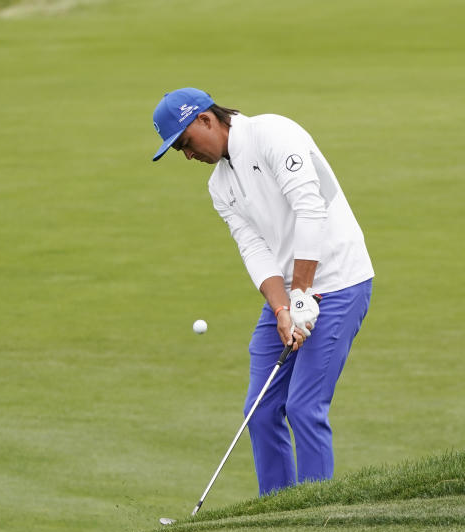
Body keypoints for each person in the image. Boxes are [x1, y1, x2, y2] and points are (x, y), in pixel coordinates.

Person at [150, 87, 374, 496]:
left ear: (205, 119)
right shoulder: (220, 186)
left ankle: (315, 513)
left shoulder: (273, 133)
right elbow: (254, 248)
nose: (188, 155)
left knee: (304, 408)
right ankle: (276, 512)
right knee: (262, 408)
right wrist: (282, 308)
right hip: (292, 292)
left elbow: (311, 209)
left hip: (340, 280)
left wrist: (303, 294)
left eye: (185, 143)